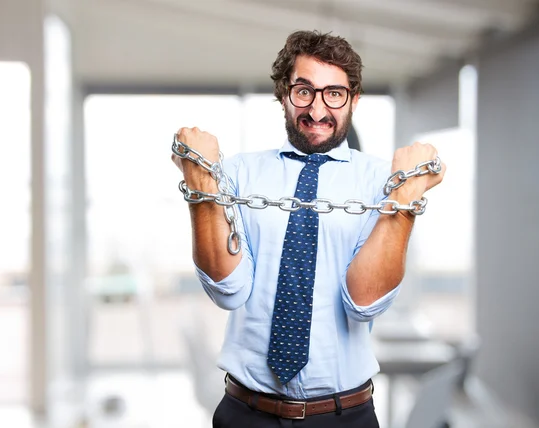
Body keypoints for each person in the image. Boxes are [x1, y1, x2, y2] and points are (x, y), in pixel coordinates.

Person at [172, 30, 445, 428]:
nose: (318, 110)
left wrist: (406, 197)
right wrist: (201, 184)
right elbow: (228, 291)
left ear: (354, 99)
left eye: (334, 94)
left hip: (344, 415)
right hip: (246, 412)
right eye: (304, 91)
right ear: (283, 94)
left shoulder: (385, 182)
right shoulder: (236, 173)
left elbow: (364, 302)